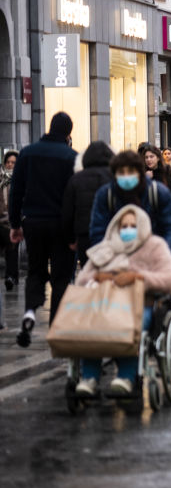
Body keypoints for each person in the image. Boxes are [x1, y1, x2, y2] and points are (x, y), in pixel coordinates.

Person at [72, 205, 171, 398]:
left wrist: (138, 277)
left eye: (133, 226)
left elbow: (170, 280)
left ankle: (126, 376)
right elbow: (81, 280)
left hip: (141, 303)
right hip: (105, 303)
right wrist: (99, 277)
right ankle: (89, 377)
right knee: (91, 323)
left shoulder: (154, 246)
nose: (128, 230)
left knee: (129, 324)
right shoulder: (108, 247)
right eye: (124, 226)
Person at [8, 112, 77, 347]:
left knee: (35, 271)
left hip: (33, 222)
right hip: (61, 225)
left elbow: (16, 192)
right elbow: (74, 197)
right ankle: (56, 325)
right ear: (68, 133)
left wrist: (15, 224)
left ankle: (29, 311)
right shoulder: (72, 157)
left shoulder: (27, 153)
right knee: (61, 276)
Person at [89, 151, 171, 256]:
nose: (126, 176)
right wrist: (107, 256)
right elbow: (98, 230)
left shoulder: (158, 192)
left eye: (130, 172)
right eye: (121, 173)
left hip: (152, 256)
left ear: (139, 173)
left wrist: (163, 253)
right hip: (116, 257)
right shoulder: (106, 195)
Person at [62, 142, 115, 268]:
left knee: (88, 270)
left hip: (85, 234)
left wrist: (71, 238)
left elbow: (68, 211)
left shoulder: (76, 179)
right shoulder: (114, 177)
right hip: (110, 232)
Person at [140, 144, 171, 260]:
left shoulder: (167, 172)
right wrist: (145, 179)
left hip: (166, 217)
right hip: (148, 218)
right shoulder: (141, 174)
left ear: (158, 158)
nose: (149, 160)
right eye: (146, 157)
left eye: (151, 157)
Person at [1, 150, 18, 293]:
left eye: (13, 163)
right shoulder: (1, 179)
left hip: (14, 221)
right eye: (8, 162)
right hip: (1, 220)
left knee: (12, 249)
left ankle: (11, 276)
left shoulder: (20, 180)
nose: (10, 165)